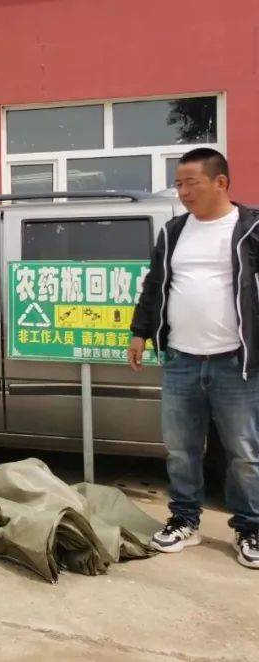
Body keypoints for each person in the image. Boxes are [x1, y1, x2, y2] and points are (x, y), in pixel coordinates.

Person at [129, 147, 259, 569]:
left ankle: (250, 527)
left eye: (191, 183)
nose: (182, 192)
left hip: (235, 363)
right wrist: (139, 333)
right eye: (179, 184)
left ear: (221, 182)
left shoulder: (251, 228)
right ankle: (185, 519)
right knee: (181, 449)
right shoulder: (173, 231)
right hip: (182, 359)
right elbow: (154, 286)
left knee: (244, 452)